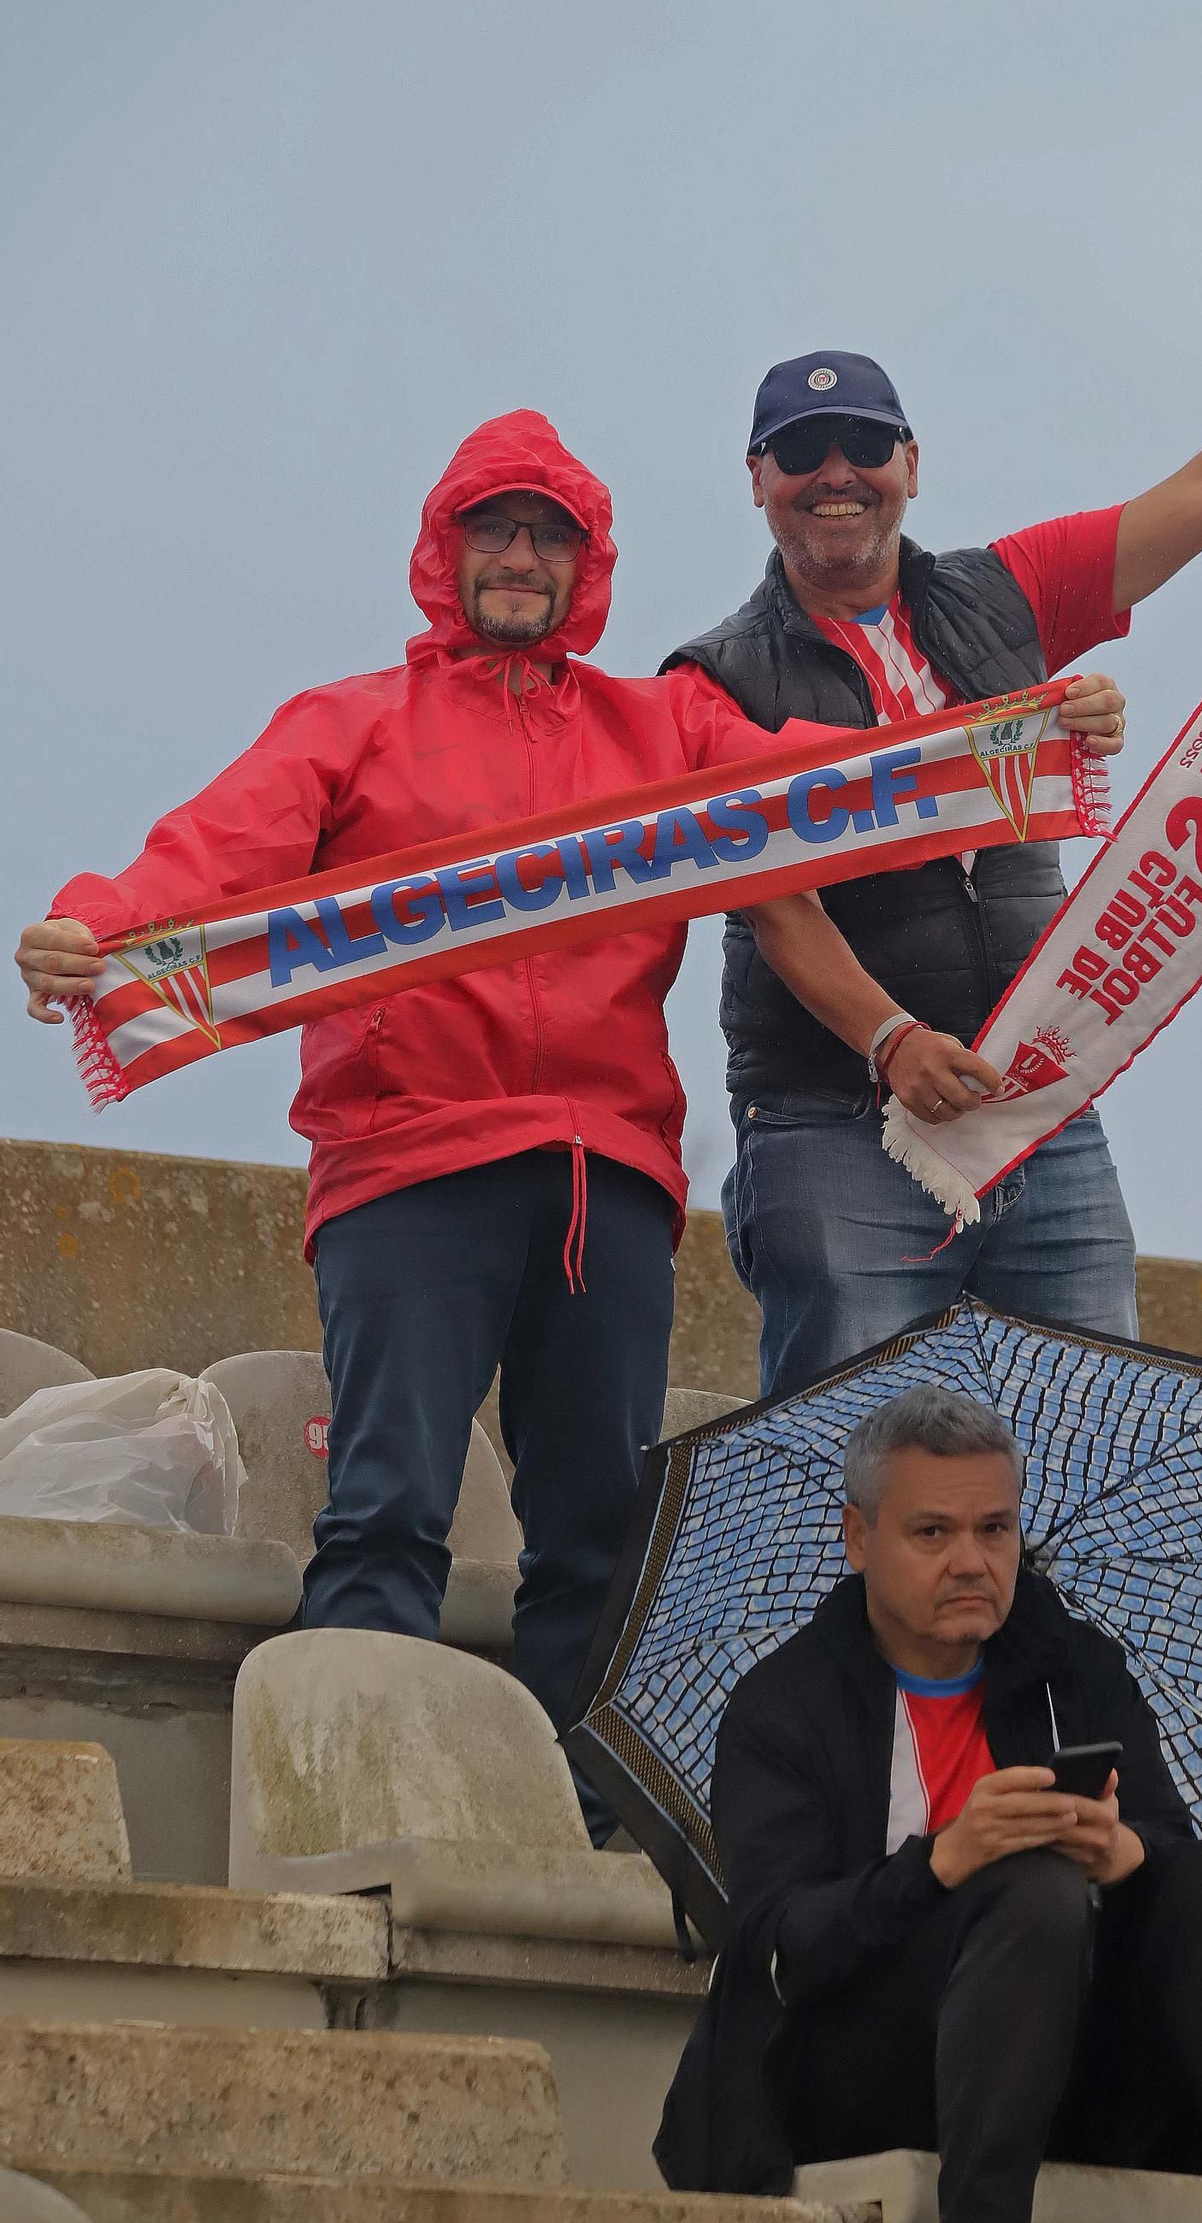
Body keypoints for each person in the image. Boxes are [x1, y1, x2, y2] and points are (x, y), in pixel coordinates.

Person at [12, 410, 850, 1839]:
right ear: (443, 551)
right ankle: (344, 1828)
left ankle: (595, 1845)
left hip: (606, 1180)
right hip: (407, 1165)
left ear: (587, 565)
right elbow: (211, 849)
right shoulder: (352, 722)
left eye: (548, 536)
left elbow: (836, 777)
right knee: (389, 1507)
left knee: (598, 1534)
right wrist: (96, 923)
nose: (519, 556)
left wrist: (1013, 740)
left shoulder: (661, 727)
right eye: (493, 530)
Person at [666, 281, 1202, 1398]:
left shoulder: (1009, 594)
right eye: (801, 450)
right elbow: (773, 900)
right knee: (850, 1455)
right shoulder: (711, 681)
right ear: (757, 480)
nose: (837, 472)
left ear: (912, 463)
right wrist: (891, 1041)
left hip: (1039, 1114)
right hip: (833, 1129)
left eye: (866, 444)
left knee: (1092, 1434)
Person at [658, 1384, 1202, 2223]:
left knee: (1198, 1874)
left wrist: (1124, 1853)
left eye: (995, 1528)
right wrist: (942, 1862)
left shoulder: (1074, 1668)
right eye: (932, 1532)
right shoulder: (783, 1705)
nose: (971, 1561)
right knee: (1031, 1889)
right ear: (858, 1537)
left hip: (1059, 2065)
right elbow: (779, 1949)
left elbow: (1166, 1846)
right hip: (849, 2078)